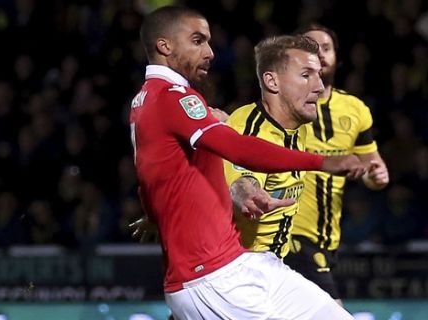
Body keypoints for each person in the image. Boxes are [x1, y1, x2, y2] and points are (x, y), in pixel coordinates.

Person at [130, 6, 364, 319]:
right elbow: (238, 150)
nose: (210, 52)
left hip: (247, 264)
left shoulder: (148, 101)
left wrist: (154, 211)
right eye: (198, 41)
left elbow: (151, 171)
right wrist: (321, 162)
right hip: (212, 277)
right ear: (165, 46)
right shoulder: (172, 98)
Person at [224, 34, 358, 260]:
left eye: (318, 75)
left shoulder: (298, 125)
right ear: (272, 82)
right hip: (241, 267)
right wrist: (250, 195)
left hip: (276, 263)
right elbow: (241, 181)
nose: (319, 86)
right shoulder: (251, 130)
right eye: (306, 76)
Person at [285, 23, 389, 305]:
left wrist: (376, 176)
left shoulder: (355, 109)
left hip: (328, 238)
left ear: (336, 58)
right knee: (333, 311)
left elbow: (373, 167)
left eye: (326, 48)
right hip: (290, 234)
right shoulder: (281, 104)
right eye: (310, 49)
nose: (319, 54)